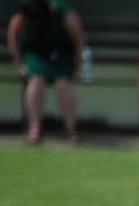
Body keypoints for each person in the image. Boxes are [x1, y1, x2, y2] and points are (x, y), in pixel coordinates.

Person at [7, 0, 85, 144]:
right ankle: (34, 129)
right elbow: (13, 35)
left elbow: (79, 39)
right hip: (36, 53)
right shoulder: (26, 10)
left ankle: (71, 130)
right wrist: (19, 64)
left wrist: (78, 65)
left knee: (63, 84)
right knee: (36, 81)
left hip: (62, 54)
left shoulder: (63, 11)